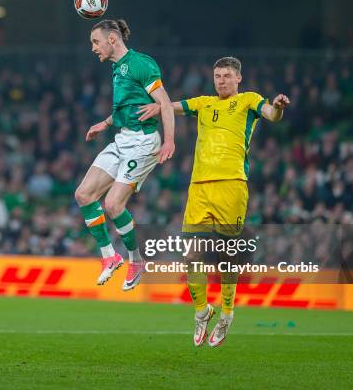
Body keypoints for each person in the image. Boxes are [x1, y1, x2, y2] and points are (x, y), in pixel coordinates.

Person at [138, 57, 290, 346]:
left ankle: (227, 313)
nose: (221, 80)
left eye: (227, 75)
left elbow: (271, 114)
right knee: (190, 254)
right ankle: (202, 311)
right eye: (217, 75)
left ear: (238, 79)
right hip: (199, 188)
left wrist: (279, 107)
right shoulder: (203, 103)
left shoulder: (248, 100)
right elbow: (172, 107)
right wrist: (156, 107)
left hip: (231, 185)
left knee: (226, 254)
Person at [74, 19, 175, 291]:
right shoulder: (118, 68)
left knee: (113, 204)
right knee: (83, 194)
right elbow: (127, 106)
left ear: (112, 39)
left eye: (96, 42)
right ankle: (110, 256)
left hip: (143, 143)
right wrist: (104, 124)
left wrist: (169, 141)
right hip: (123, 138)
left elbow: (164, 103)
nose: (93, 48)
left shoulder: (142, 63)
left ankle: (136, 260)